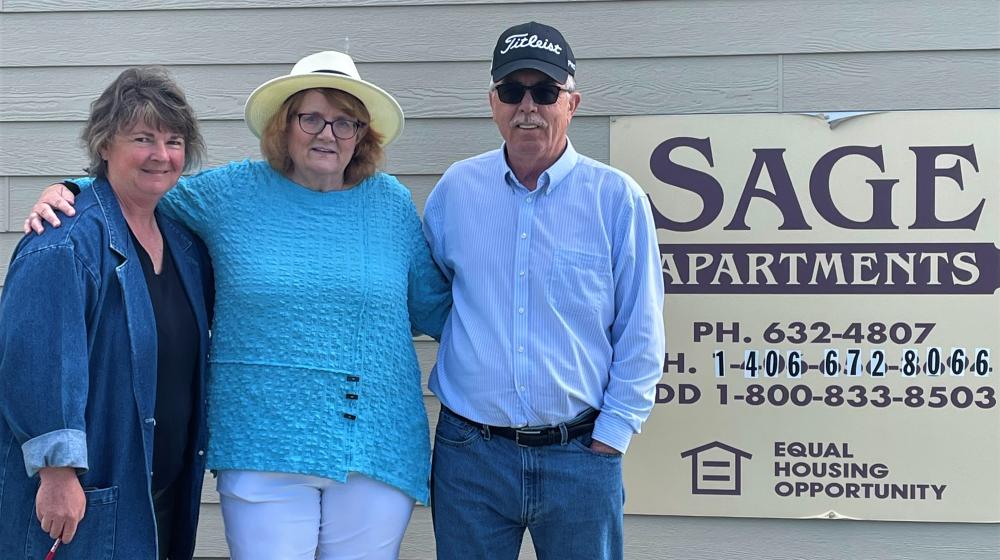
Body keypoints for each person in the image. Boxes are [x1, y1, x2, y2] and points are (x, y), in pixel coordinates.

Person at [24, 52, 451, 560]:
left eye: (344, 122)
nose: (327, 133)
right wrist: (70, 188)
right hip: (261, 443)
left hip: (375, 446)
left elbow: (434, 308)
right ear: (284, 125)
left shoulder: (391, 204)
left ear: (362, 134)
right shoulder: (231, 193)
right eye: (311, 117)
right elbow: (137, 187)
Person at [423, 22, 665, 559]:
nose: (527, 106)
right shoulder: (456, 191)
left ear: (572, 103)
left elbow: (641, 330)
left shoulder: (616, 200)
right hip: (471, 456)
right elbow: (433, 296)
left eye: (545, 92)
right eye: (512, 91)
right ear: (493, 104)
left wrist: (612, 435)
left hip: (580, 454)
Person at [0, 67, 213, 560]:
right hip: (86, 501)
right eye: (143, 138)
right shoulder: (65, 239)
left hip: (156, 497)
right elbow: (34, 360)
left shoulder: (184, 245)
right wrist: (57, 473)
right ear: (104, 145)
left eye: (174, 140)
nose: (161, 155)